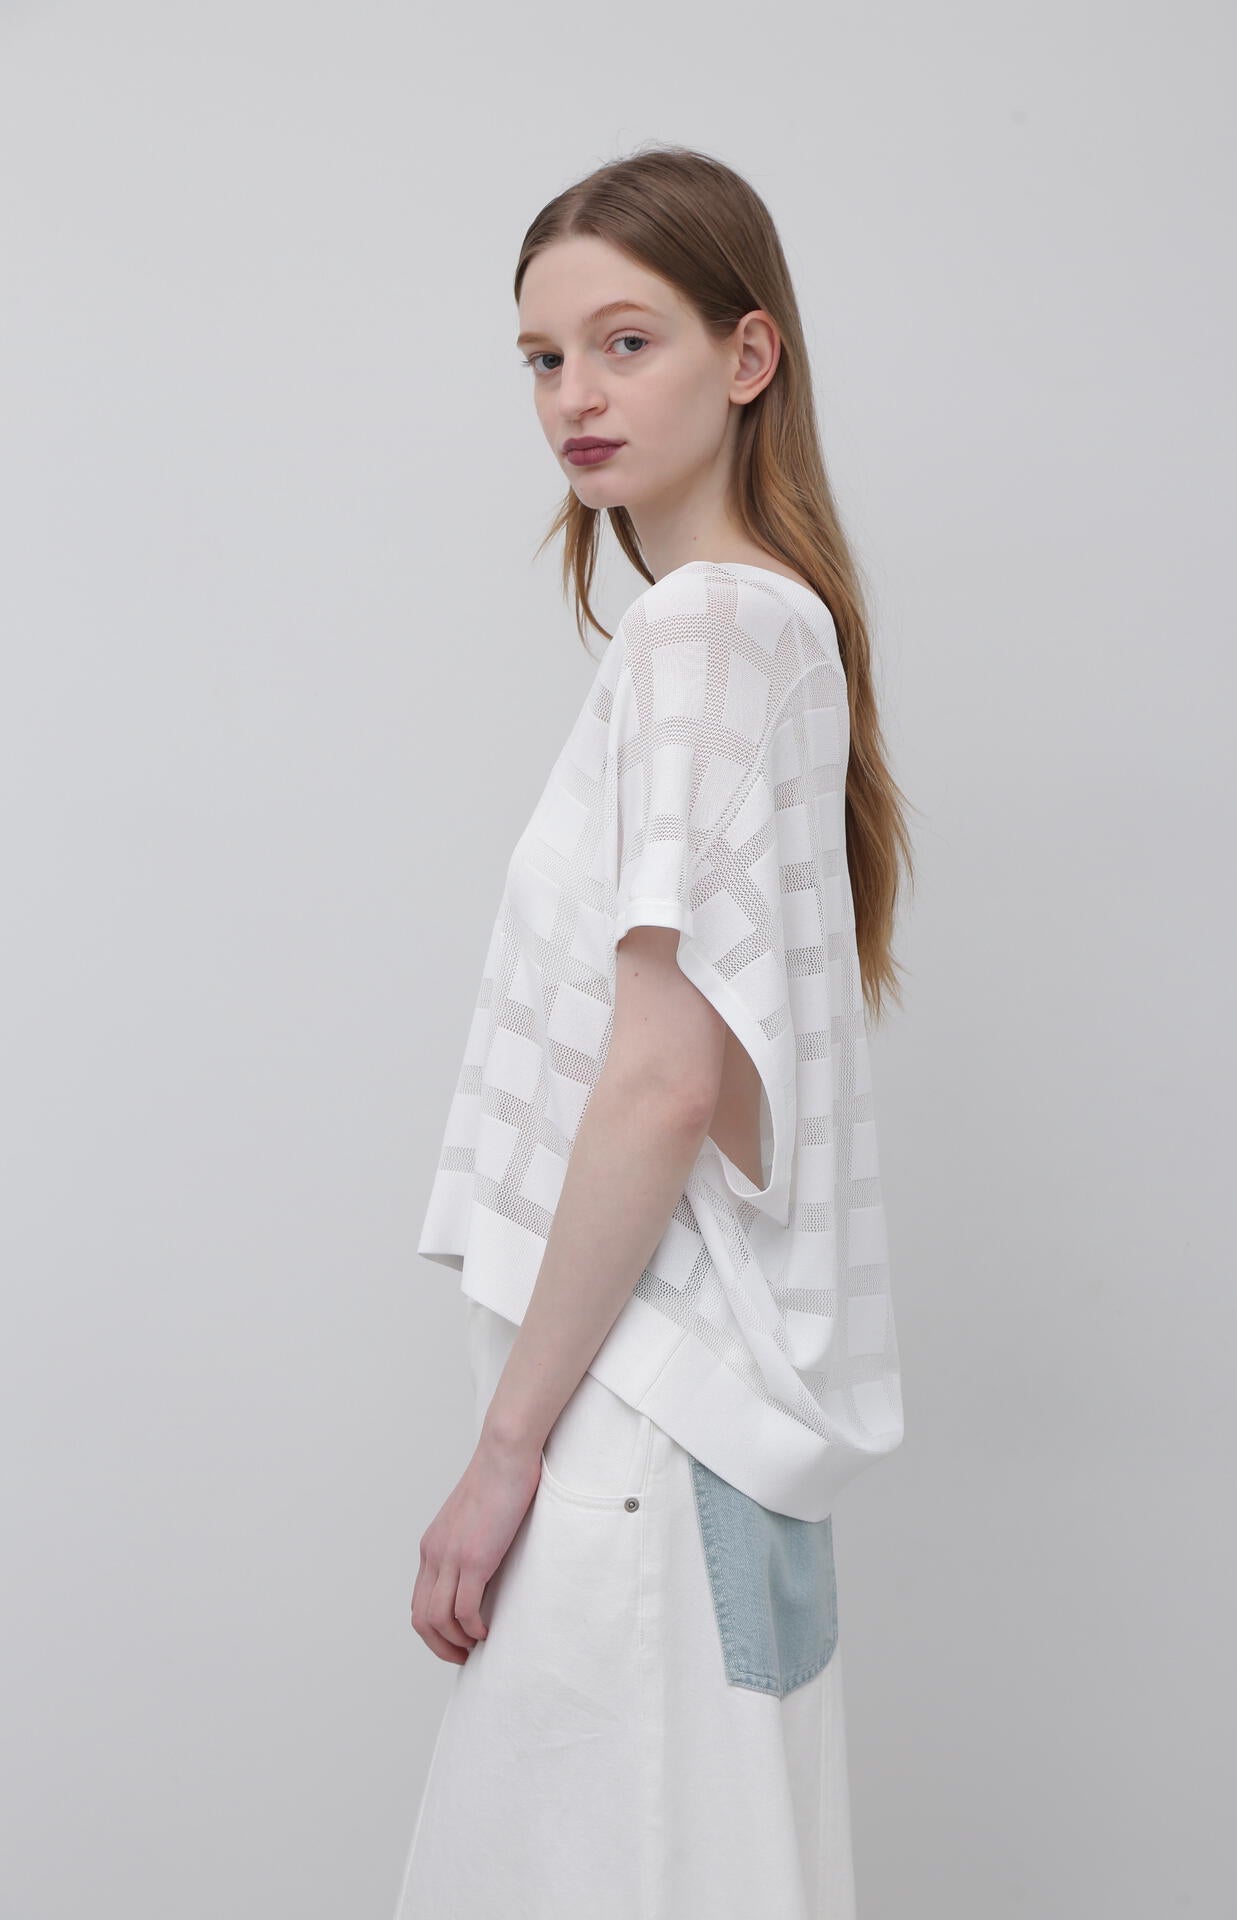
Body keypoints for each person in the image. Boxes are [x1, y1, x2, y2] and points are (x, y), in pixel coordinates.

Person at [392, 143, 914, 1920]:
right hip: (707, 1448)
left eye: (628, 343)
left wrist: (504, 1456)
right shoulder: (774, 633)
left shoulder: (707, 632)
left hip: (640, 1435)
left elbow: (666, 1077)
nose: (574, 396)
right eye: (544, 358)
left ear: (749, 354)